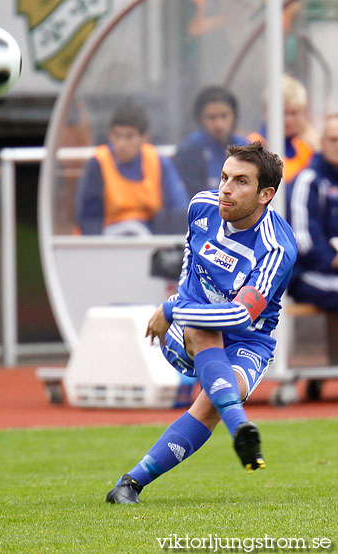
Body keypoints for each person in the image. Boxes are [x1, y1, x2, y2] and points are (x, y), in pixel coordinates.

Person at [106, 142, 297, 504]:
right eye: (224, 177)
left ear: (265, 195)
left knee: (216, 400)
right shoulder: (201, 207)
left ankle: (128, 485)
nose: (226, 188)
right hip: (184, 329)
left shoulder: (276, 248)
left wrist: (174, 309)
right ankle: (240, 426)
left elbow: (241, 315)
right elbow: (188, 268)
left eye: (241, 182)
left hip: (248, 340)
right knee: (201, 324)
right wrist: (174, 309)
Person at [74, 104, 189, 236]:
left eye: (129, 137)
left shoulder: (159, 162)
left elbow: (178, 210)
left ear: (145, 138)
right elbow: (88, 217)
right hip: (108, 239)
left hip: (150, 238)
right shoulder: (98, 163)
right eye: (117, 136)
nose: (121, 144)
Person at [287, 113, 338, 365]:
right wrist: (332, 260)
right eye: (333, 139)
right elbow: (302, 239)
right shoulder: (308, 181)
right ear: (322, 141)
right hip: (306, 274)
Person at [172, 85, 249, 197]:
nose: (219, 124)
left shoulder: (245, 147)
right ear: (200, 119)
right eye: (211, 117)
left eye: (224, 116)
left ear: (234, 116)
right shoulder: (189, 150)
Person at [248, 74, 318, 184]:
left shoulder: (306, 148)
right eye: (283, 113)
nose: (288, 120)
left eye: (294, 113)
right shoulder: (252, 146)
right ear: (266, 111)